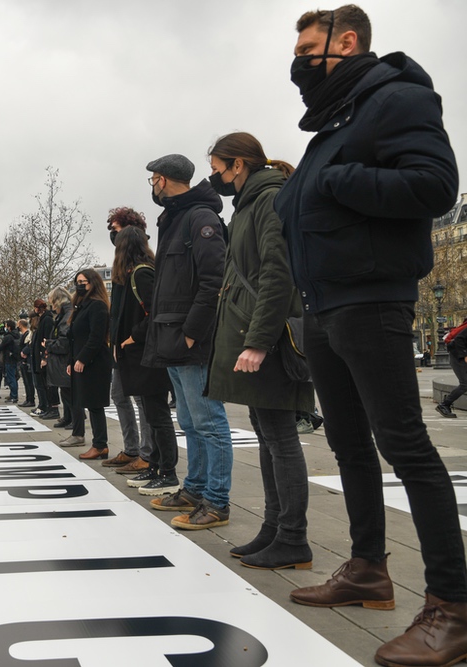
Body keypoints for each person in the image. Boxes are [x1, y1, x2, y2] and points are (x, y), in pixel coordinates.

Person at [275, 7, 467, 664]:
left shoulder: (397, 99)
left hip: (372, 299)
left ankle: (452, 605)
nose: (297, 59)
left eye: (307, 47)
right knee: (349, 444)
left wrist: (335, 183)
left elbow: (437, 185)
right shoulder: (336, 119)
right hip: (324, 306)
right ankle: (367, 569)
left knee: (405, 446)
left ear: (346, 41)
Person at [207, 132, 315, 569]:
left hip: (265, 337)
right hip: (252, 331)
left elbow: (276, 273)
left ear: (238, 165)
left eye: (217, 169)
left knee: (280, 439)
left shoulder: (268, 199)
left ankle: (293, 537)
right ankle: (274, 528)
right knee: (268, 436)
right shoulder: (250, 203)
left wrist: (257, 341)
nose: (215, 177)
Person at [142, 153, 234, 531]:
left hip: (189, 337)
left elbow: (214, 280)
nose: (151, 187)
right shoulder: (176, 218)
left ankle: (216, 501)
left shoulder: (201, 218)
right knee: (190, 421)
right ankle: (194, 489)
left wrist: (193, 332)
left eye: (153, 180)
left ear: (163, 180)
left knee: (209, 421)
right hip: (172, 335)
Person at [110, 226, 180, 496]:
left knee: (158, 416)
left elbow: (155, 312)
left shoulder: (142, 272)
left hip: (147, 355)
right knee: (151, 414)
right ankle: (155, 465)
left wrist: (131, 338)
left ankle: (168, 473)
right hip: (140, 355)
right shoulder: (136, 273)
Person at [104, 207, 154, 475]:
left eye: (116, 229)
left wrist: (133, 336)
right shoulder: (122, 269)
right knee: (119, 395)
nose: (112, 235)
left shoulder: (140, 269)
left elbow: (150, 309)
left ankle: (146, 453)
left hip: (135, 347)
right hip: (121, 347)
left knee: (142, 400)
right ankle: (132, 448)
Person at [68, 269, 112, 461]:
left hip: (94, 362)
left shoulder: (97, 306)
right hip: (81, 362)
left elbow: (96, 337)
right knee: (88, 403)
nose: (80, 285)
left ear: (93, 283)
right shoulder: (81, 306)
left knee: (95, 404)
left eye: (84, 281)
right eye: (78, 281)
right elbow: (75, 338)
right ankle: (98, 444)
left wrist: (83, 359)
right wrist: (72, 361)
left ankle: (100, 445)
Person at [44, 287, 75, 430]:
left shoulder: (66, 315)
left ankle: (74, 420)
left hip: (64, 361)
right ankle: (68, 417)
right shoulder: (64, 314)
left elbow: (64, 342)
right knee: (65, 391)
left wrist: (48, 344)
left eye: (51, 302)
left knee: (69, 393)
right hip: (61, 361)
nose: (51, 306)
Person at [437, 317, 467, 417]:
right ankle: (444, 405)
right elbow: (458, 340)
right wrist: (465, 355)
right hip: (457, 356)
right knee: (465, 384)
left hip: (460, 355)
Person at [0, 320, 19, 403]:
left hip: (9, 358)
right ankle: (13, 394)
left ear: (9, 327)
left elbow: (1, 347)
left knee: (11, 378)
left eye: (6, 326)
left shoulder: (8, 336)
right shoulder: (16, 335)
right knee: (12, 377)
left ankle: (14, 396)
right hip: (13, 358)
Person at [17, 318, 36, 407]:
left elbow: (29, 345)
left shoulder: (28, 334)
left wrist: (24, 352)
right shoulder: (24, 335)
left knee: (29, 382)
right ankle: (28, 399)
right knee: (26, 382)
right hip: (23, 360)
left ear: (21, 325)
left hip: (26, 361)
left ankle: (31, 400)